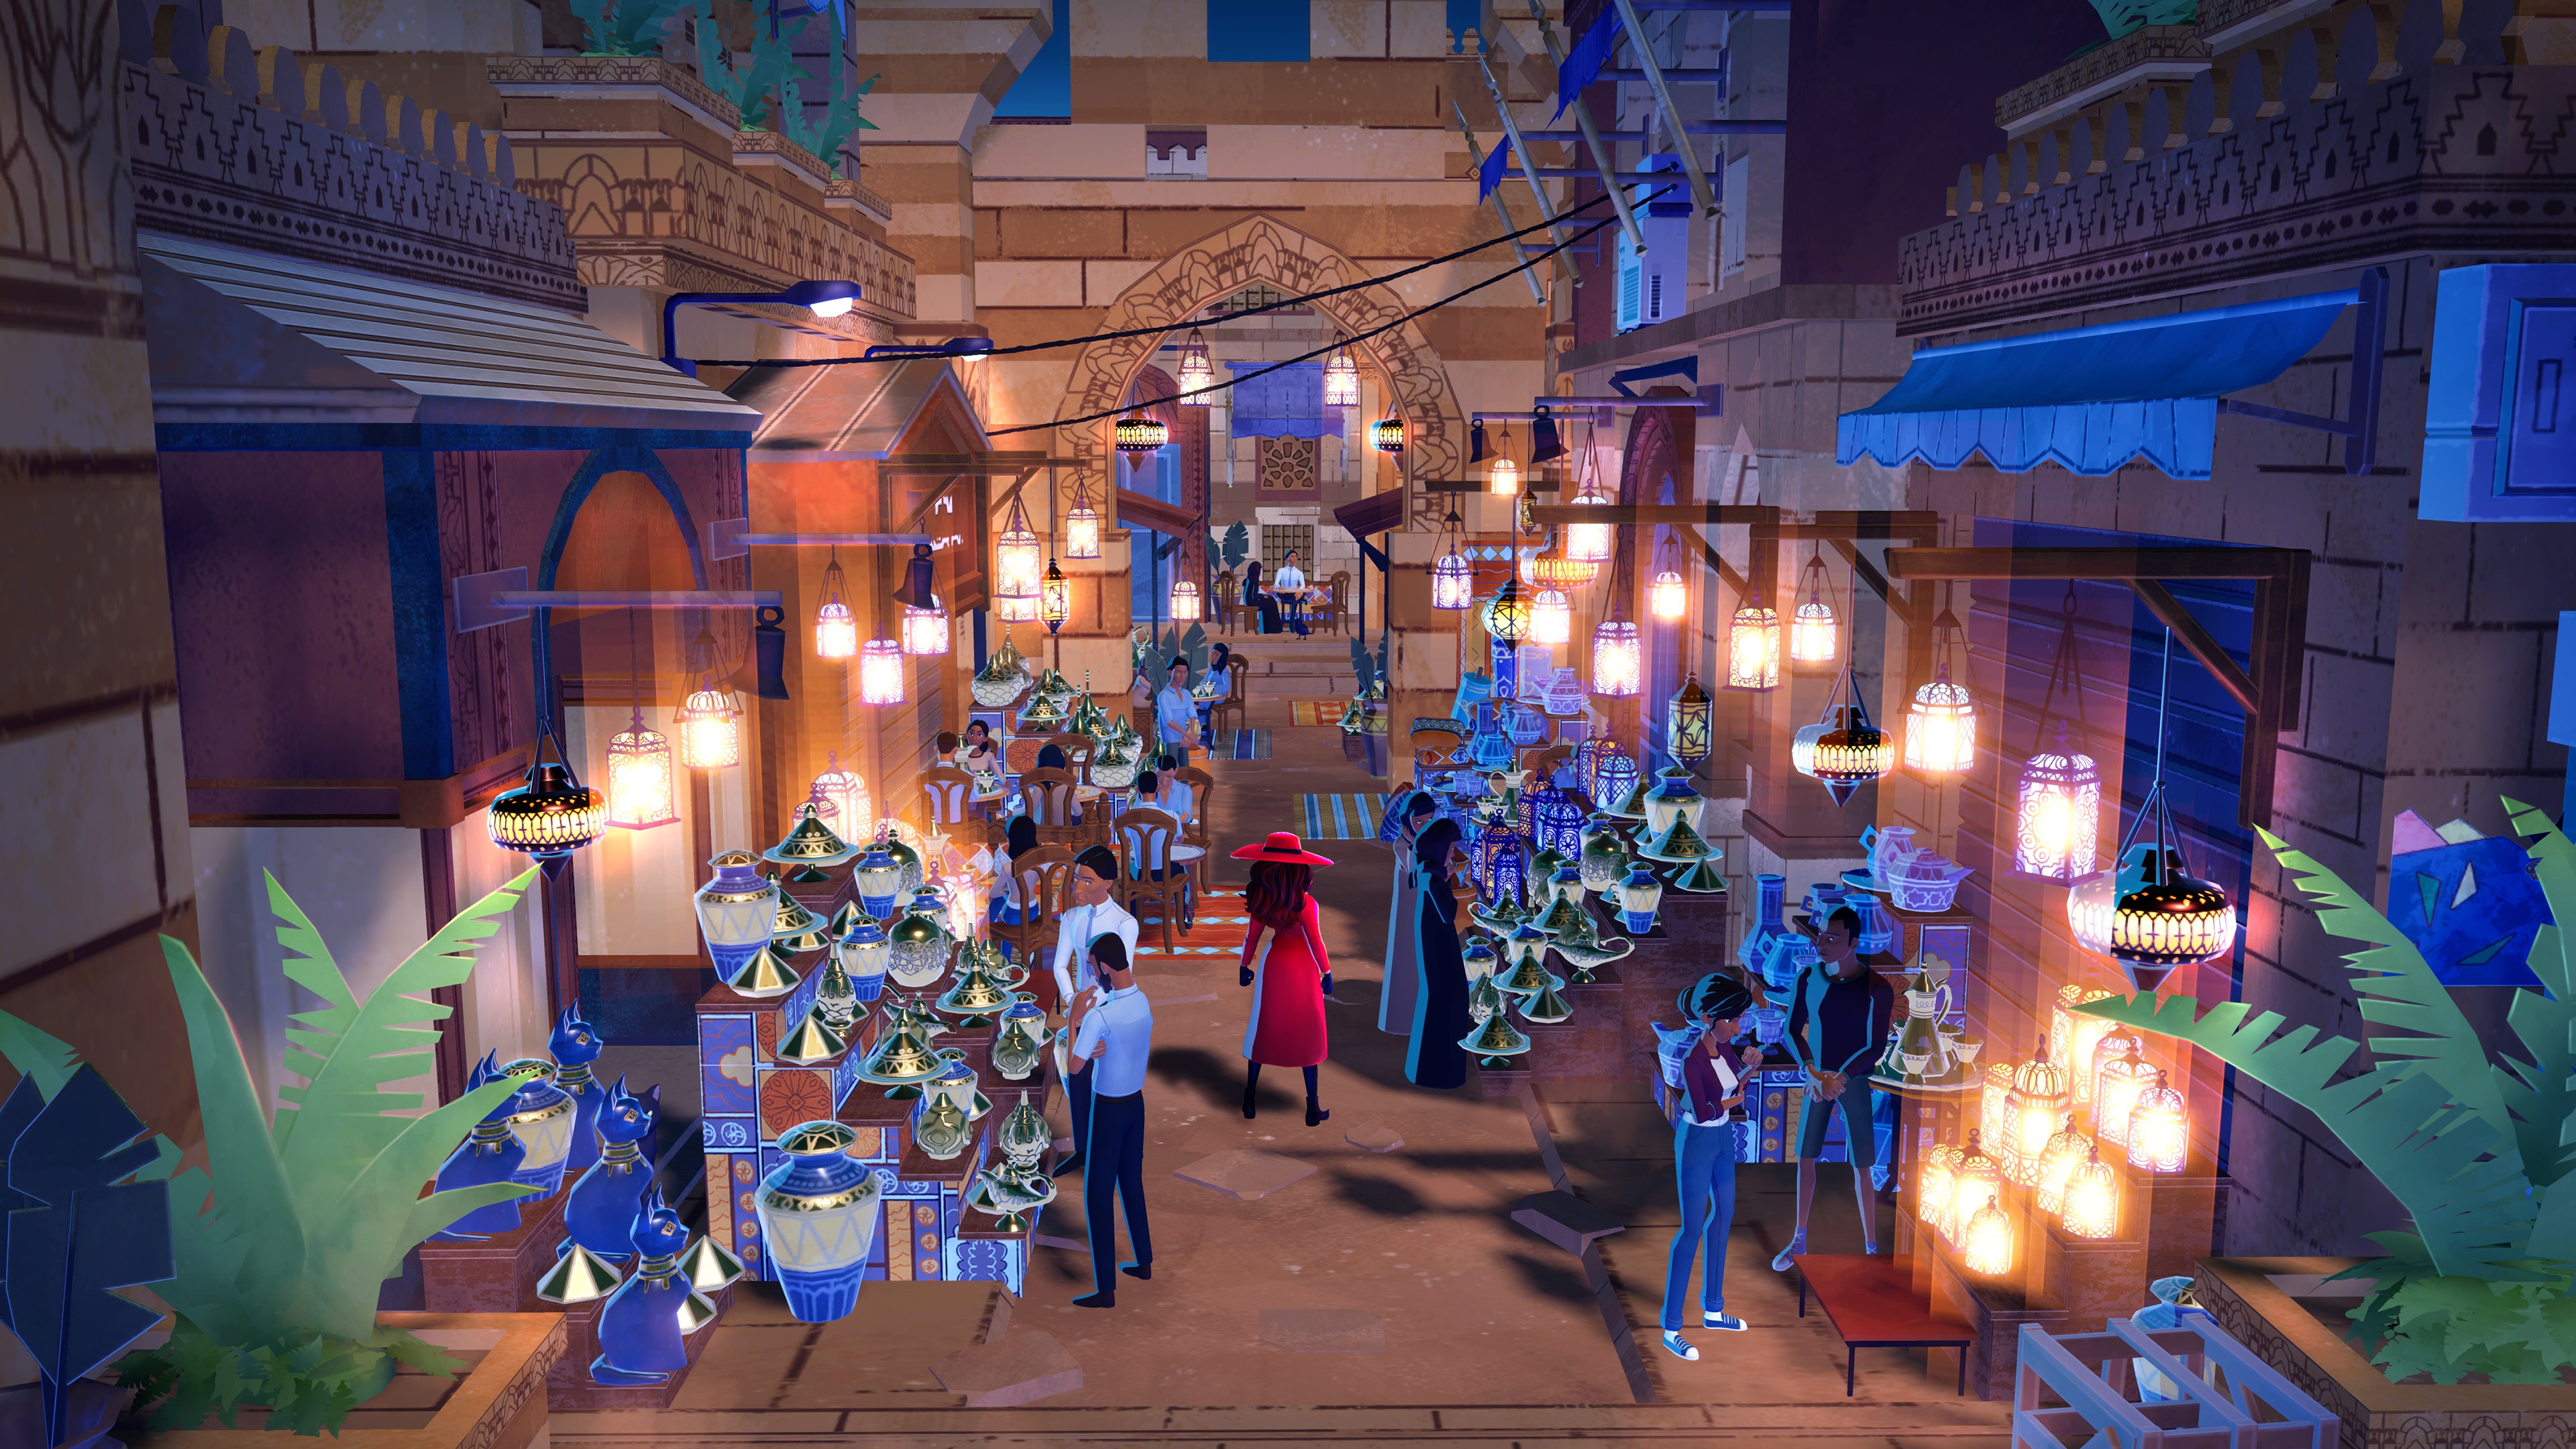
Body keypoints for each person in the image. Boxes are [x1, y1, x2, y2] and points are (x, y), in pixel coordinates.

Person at [1772, 905, 1896, 1268]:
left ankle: (1871, 1248)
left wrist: (1839, 1078)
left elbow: (1876, 1046)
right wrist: (1812, 1071)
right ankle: (1799, 1239)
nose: (1822, 943)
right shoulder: (1808, 978)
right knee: (1806, 1158)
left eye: (1832, 938)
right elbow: (1791, 1031)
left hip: (1853, 1080)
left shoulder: (1877, 988)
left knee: (1863, 1165)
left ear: (1854, 943)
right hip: (1816, 1078)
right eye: (1821, 935)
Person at [1664, 973, 1764, 1361]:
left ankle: (1713, 1310)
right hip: (1698, 1140)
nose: (1739, 1027)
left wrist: (1750, 1068)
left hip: (1723, 1139)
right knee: (1691, 1229)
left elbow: (1734, 1087)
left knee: (1723, 1217)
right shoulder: (1693, 1060)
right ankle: (1672, 1328)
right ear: (1709, 1018)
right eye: (1734, 1020)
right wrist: (1733, 1101)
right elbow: (1704, 1108)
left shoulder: (1727, 1050)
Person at [1068, 932, 1154, 1308]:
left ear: (1103, 967)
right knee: (1131, 1182)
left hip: (1108, 1110)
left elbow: (1074, 1068)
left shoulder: (1099, 1016)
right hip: (1136, 1105)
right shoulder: (1142, 1001)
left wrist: (1075, 1018)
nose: (1093, 975)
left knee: (1098, 1195)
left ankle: (1106, 1291)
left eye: (1092, 968)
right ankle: (1144, 1262)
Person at [1230, 831, 1336, 1124]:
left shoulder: (1262, 899)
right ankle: (1312, 1108)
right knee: (1308, 1030)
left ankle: (1249, 1100)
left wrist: (1244, 965)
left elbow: (1252, 937)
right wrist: (1327, 971)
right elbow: (1315, 941)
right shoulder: (1307, 904)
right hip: (1304, 968)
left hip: (1273, 965)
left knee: (1264, 1027)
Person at [1049, 845, 1137, 1179]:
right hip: (1079, 1011)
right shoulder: (1071, 918)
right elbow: (1060, 965)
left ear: (1108, 883)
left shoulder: (1125, 923)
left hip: (1110, 1011)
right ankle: (1084, 1149)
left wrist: (1091, 1009)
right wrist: (1073, 1001)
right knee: (1076, 1078)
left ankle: (1106, 1149)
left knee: (1107, 1084)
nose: (1077, 888)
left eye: (1087, 881)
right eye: (1076, 880)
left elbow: (1119, 975)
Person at [1402, 815, 1473, 1088]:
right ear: (1440, 848)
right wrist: (1451, 884)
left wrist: (1447, 877)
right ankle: (1443, 1072)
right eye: (1451, 849)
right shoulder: (1435, 881)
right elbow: (1449, 914)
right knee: (1450, 999)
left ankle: (1429, 1070)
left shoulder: (1426, 872)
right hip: (1440, 945)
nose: (1453, 854)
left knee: (1439, 1000)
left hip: (1433, 942)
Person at [1379, 791, 1438, 1038]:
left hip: (1424, 904)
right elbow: (1416, 871)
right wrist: (1417, 844)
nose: (1424, 826)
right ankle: (1405, 1020)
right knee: (1407, 958)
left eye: (1429, 820)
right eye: (1419, 821)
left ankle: (1427, 1017)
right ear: (1407, 821)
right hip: (1409, 906)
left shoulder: (1426, 841)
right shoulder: (1402, 844)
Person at [1155, 657, 1196, 758]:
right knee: (1171, 762)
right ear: (1170, 673)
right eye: (1178, 673)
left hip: (1184, 736)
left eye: (1185, 673)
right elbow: (1169, 722)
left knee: (1185, 764)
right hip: (1170, 737)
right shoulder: (1164, 696)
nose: (1182, 677)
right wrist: (1188, 735)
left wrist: (1191, 734)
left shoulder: (1186, 694)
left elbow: (1192, 715)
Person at [1032, 742, 1081, 823]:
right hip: (1065, 829)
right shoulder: (1067, 786)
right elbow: (1079, 812)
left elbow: (1030, 812)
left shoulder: (1040, 788)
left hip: (1044, 829)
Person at [1199, 645, 1232, 748]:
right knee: (1196, 703)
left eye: (1217, 655)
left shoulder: (1224, 672)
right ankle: (1200, 726)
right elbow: (1205, 681)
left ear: (1223, 657)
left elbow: (1227, 686)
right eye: (1212, 654)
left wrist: (1214, 689)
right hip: (1209, 695)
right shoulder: (1211, 670)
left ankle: (1203, 727)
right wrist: (1200, 685)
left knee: (1201, 703)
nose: (1213, 657)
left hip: (1219, 697)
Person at [1273, 549, 1309, 637]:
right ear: (1287, 559)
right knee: (1294, 598)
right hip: (1284, 593)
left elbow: (1303, 585)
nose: (1294, 559)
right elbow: (1276, 583)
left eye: (1296, 557)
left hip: (1294, 594)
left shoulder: (1299, 573)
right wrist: (1279, 587)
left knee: (1297, 595)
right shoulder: (1281, 571)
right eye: (1292, 557)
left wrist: (1299, 592)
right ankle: (1301, 600)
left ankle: (1292, 624)